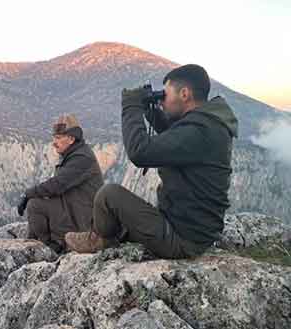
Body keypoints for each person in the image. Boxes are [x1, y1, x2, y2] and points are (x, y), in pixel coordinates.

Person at [65, 64, 238, 259]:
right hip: (193, 231)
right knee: (121, 207)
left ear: (184, 94)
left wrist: (131, 106)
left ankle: (99, 239)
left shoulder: (200, 131)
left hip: (183, 241)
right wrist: (153, 113)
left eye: (166, 94)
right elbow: (177, 143)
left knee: (109, 194)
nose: (163, 100)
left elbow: (139, 152)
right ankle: (116, 234)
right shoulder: (208, 124)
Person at [17, 114, 104, 253]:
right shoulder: (74, 154)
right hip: (75, 212)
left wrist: (28, 194)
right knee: (39, 203)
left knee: (35, 205)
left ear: (71, 138)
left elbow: (56, 185)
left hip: (85, 222)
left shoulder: (81, 158)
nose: (54, 142)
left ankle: (50, 249)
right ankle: (39, 244)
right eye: (54, 137)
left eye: (58, 138)